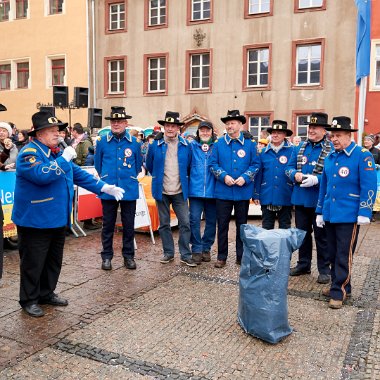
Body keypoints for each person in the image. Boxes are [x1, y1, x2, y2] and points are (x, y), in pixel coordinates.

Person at [12, 111, 124, 317]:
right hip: (35, 219)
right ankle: (29, 299)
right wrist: (64, 158)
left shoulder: (55, 153)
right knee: (33, 262)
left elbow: (77, 174)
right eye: (52, 131)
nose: (58, 134)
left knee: (53, 260)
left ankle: (46, 293)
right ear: (38, 134)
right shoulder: (29, 153)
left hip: (57, 217)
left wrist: (104, 187)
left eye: (58, 130)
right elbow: (41, 175)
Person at [315, 116, 377, 309]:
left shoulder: (362, 155)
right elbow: (324, 187)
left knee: (343, 253)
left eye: (338, 135)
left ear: (349, 135)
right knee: (331, 252)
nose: (334, 139)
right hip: (331, 213)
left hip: (349, 214)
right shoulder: (331, 156)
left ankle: (338, 291)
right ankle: (341, 285)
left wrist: (365, 210)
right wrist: (320, 211)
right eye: (332, 135)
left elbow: (369, 184)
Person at [286, 112, 332, 284]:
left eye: (315, 127)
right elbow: (288, 168)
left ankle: (324, 269)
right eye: (310, 127)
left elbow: (333, 175)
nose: (311, 130)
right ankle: (303, 264)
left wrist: (316, 179)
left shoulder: (330, 149)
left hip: (320, 200)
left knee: (322, 236)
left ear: (323, 130)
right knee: (302, 234)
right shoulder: (300, 147)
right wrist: (294, 174)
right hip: (301, 198)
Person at [95, 106, 143, 271]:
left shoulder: (135, 143)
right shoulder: (101, 142)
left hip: (128, 188)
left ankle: (128, 257)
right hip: (109, 188)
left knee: (128, 225)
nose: (116, 124)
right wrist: (108, 180)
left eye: (119, 121)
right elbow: (98, 165)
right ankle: (106, 256)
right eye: (113, 121)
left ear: (125, 123)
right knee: (108, 225)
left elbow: (137, 166)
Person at [146, 111, 196, 267]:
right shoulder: (155, 145)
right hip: (161, 191)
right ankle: (168, 252)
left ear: (178, 128)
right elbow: (149, 165)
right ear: (164, 127)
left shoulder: (186, 146)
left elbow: (189, 166)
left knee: (185, 223)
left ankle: (185, 254)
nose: (170, 129)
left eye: (173, 126)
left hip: (180, 191)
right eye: (167, 125)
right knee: (164, 224)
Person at [210, 110, 260, 268]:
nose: (229, 126)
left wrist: (245, 177)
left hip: (242, 191)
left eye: (232, 123)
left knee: (242, 225)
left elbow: (256, 164)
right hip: (223, 191)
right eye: (227, 123)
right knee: (222, 225)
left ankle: (241, 256)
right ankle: (221, 256)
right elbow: (213, 164)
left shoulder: (250, 144)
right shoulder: (218, 144)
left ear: (240, 124)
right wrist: (223, 176)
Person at [253, 120, 295, 230]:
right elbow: (259, 175)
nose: (275, 135)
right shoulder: (262, 152)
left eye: (279, 133)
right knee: (266, 227)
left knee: (285, 227)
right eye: (273, 132)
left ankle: (284, 248)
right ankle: (267, 248)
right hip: (267, 194)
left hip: (286, 194)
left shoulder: (292, 151)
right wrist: (256, 194)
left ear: (285, 135)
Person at [189, 121, 217, 264]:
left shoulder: (216, 146)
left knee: (211, 222)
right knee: (194, 220)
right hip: (195, 191)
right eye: (202, 131)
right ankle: (196, 249)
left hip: (213, 192)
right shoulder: (192, 146)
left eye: (207, 130)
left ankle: (206, 248)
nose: (205, 133)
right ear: (198, 132)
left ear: (212, 132)